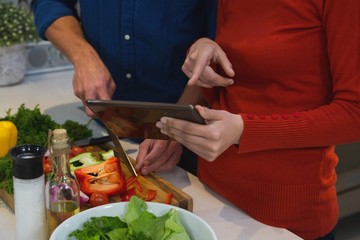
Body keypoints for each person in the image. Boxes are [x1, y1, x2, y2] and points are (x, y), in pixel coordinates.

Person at [152, 0, 360, 239]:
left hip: (286, 215)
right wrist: (203, 52)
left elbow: (355, 113)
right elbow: (235, 80)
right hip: (211, 194)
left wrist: (245, 131)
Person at [31, 0, 217, 175]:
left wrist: (177, 123)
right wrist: (82, 56)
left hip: (186, 140)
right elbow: (50, 3)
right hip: (103, 128)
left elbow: (219, 44)